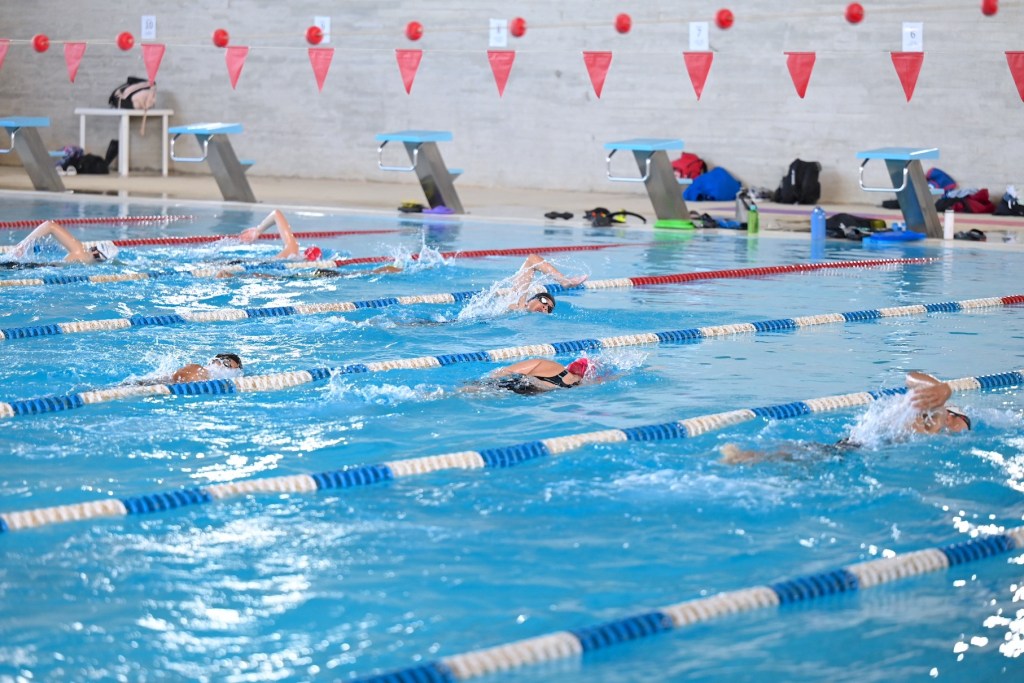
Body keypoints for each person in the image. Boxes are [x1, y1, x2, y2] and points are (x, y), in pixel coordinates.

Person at [720, 371, 972, 465]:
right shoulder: (935, 415)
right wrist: (943, 388)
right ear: (952, 415)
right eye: (963, 423)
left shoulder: (931, 423)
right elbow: (912, 377)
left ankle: (750, 456)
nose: (962, 429)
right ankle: (745, 456)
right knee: (806, 457)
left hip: (865, 446)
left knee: (807, 457)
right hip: (862, 448)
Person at [2, 220, 116, 266]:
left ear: (94, 250)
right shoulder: (80, 253)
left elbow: (50, 225)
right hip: (36, 268)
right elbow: (49, 225)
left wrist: (23, 245)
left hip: (33, 267)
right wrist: (23, 245)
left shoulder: (80, 253)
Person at [509, 254, 588, 314]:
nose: (545, 307)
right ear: (531, 300)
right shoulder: (517, 302)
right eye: (543, 301)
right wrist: (563, 280)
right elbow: (532, 259)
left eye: (549, 309)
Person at [487, 357, 591, 395]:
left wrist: (491, 378)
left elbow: (506, 371)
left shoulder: (552, 366)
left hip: (519, 384)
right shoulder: (577, 385)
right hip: (531, 393)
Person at [170, 353, 244, 383]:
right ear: (213, 361)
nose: (226, 370)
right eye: (226, 364)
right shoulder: (197, 368)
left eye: (232, 370)